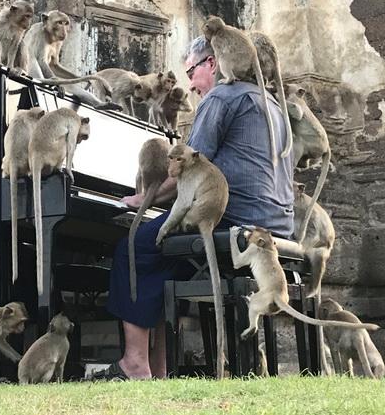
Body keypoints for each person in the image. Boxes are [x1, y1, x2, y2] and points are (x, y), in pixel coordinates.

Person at [94, 36, 294, 380]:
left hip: (232, 218)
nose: (190, 84)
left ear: (212, 64)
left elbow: (187, 168)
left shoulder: (223, 96)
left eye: (192, 71)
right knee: (166, 258)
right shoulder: (274, 105)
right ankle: (160, 365)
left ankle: (134, 363)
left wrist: (144, 199)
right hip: (276, 223)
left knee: (135, 245)